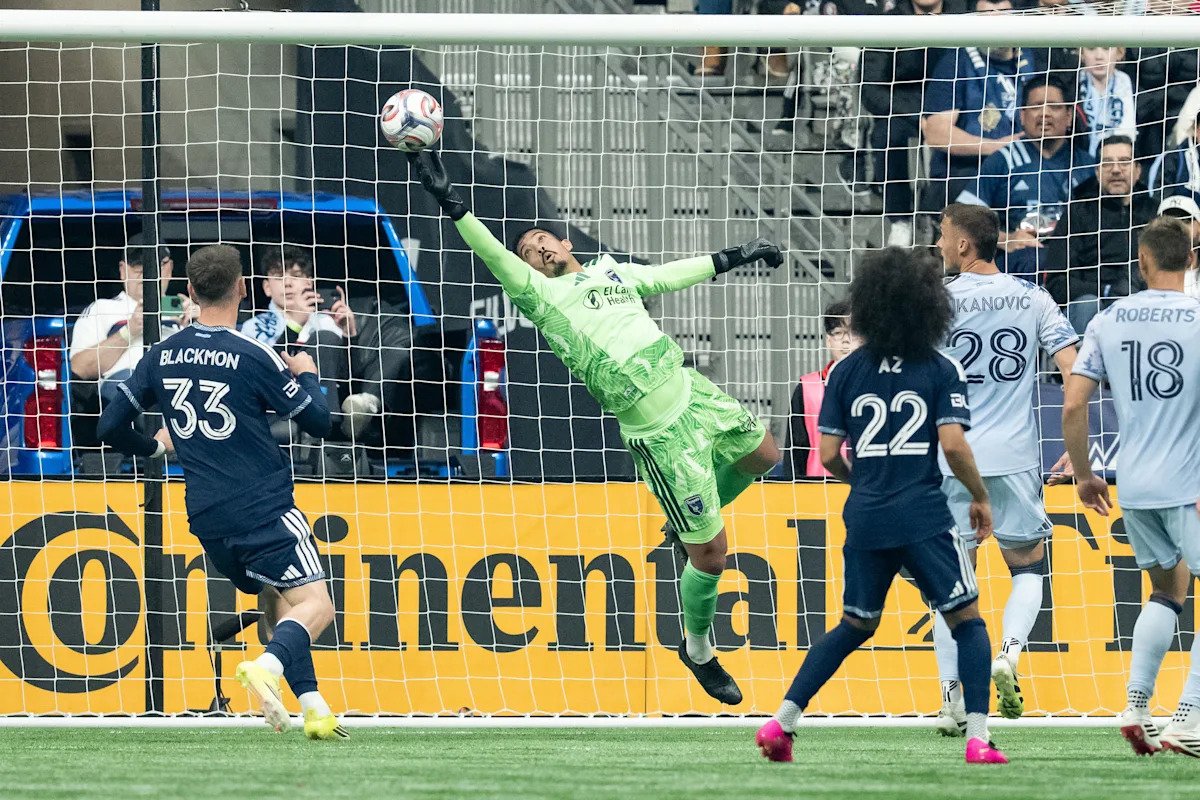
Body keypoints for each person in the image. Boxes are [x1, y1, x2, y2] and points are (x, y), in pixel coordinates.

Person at [407, 149, 783, 705]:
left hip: (692, 391)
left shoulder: (611, 271)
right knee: (712, 557)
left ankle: (687, 523)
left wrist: (733, 257)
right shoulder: (541, 296)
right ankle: (699, 650)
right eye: (528, 252)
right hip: (659, 434)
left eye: (543, 241)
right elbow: (490, 252)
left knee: (765, 455)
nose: (537, 249)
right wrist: (452, 202)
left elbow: (666, 276)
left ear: (566, 244)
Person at [755, 247, 1008, 766]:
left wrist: (865, 481)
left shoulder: (845, 371)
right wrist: (980, 495)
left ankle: (781, 723)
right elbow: (954, 445)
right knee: (967, 620)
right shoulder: (940, 366)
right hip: (922, 514)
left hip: (866, 514)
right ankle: (979, 739)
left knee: (854, 624)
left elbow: (828, 454)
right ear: (928, 305)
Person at [95, 244, 347, 741]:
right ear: (243, 288)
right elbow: (321, 421)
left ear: (189, 290)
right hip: (263, 506)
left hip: (207, 517)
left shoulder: (162, 353)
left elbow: (108, 426)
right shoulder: (254, 354)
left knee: (278, 594)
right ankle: (267, 668)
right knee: (317, 605)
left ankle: (314, 707)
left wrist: (153, 446)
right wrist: (308, 373)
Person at [933, 203, 1079, 734]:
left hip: (952, 456)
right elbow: (1074, 368)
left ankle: (951, 700)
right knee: (1028, 570)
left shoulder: (938, 300)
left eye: (943, 235)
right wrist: (1080, 445)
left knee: (951, 585)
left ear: (964, 244)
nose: (939, 244)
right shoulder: (1033, 297)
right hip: (1015, 458)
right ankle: (1009, 655)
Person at [1062, 216, 1200, 757]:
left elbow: (1073, 404)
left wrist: (1083, 474)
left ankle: (1137, 706)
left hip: (1135, 484)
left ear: (1142, 262)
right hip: (1189, 482)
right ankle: (1190, 717)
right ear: (1191, 259)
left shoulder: (1107, 319)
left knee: (1168, 591)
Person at [957, 75, 1097, 280]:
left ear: (1069, 116)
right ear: (1022, 116)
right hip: (1023, 261)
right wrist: (1006, 239)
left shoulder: (1088, 165)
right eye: (1036, 106)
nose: (1045, 113)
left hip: (1075, 258)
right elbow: (959, 219)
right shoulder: (1003, 160)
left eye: (1054, 106)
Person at [858, 0, 969, 246]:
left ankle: (954, 216)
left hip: (957, 104)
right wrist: (917, 115)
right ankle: (899, 220)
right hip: (904, 110)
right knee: (887, 135)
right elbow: (871, 89)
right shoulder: (887, 24)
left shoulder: (962, 17)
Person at [241, 246, 379, 439]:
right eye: (279, 277)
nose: (288, 283)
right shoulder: (255, 326)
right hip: (277, 408)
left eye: (296, 276)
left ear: (309, 282)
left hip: (326, 405)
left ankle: (323, 428)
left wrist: (350, 335)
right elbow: (259, 375)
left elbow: (351, 380)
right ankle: (322, 429)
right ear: (267, 287)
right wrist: (295, 324)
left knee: (326, 337)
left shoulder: (327, 322)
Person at [921, 0, 1036, 217]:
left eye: (1003, 13)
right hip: (970, 171)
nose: (996, 22)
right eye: (988, 14)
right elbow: (936, 133)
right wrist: (995, 147)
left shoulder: (1035, 59)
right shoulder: (955, 62)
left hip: (1025, 167)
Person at [1044, 135, 1156, 333]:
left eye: (1124, 162)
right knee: (1088, 304)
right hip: (1092, 306)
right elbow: (1056, 282)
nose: (1116, 170)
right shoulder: (1077, 212)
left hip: (1142, 302)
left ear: (1138, 170)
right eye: (1107, 163)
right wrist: (1106, 291)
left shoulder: (1154, 213)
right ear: (1097, 172)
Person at [70, 235, 195, 405]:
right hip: (126, 389)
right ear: (123, 270)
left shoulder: (185, 308)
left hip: (181, 387)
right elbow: (80, 368)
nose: (146, 273)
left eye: (155, 265)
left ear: (169, 268)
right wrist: (130, 330)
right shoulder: (102, 309)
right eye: (138, 265)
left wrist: (203, 321)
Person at [783, 299, 859, 478]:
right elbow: (795, 454)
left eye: (854, 332)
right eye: (838, 333)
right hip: (818, 488)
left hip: (868, 488)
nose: (846, 340)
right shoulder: (807, 387)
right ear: (828, 341)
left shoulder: (880, 385)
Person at [1075, 47, 1136, 158]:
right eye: (1091, 48)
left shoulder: (1126, 83)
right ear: (1081, 53)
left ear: (1119, 53)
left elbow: (1129, 134)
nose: (1099, 56)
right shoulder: (1071, 84)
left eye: (1107, 48)